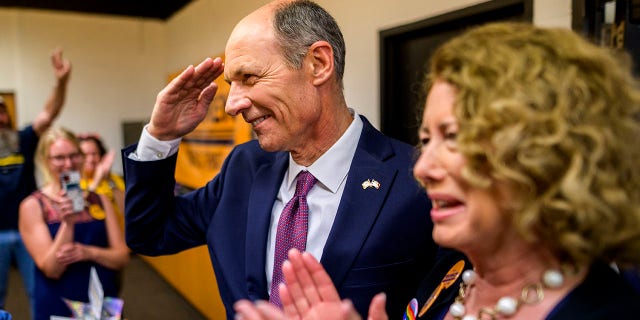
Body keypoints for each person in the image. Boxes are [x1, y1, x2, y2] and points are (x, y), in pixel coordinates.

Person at [233, 22, 640, 320]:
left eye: (454, 137)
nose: (424, 167)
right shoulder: (453, 275)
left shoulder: (605, 310)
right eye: (427, 140)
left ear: (550, 149)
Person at [122, 0, 438, 318]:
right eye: (231, 85)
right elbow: (149, 234)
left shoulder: (419, 182)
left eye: (249, 77)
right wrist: (160, 136)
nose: (232, 105)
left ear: (318, 64)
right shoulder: (243, 167)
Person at [19, 127, 129, 320]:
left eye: (74, 155)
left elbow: (121, 257)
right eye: (59, 158)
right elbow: (52, 269)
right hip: (59, 303)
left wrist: (88, 252)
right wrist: (68, 224)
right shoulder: (33, 206)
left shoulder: (100, 199)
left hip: (102, 300)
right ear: (45, 161)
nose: (68, 164)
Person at [0, 48, 71, 313]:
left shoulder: (23, 139)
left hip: (28, 229)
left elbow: (48, 114)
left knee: (38, 289)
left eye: (2, 112)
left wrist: (61, 82)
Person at [77, 133, 125, 229]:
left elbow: (125, 210)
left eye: (94, 154)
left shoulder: (114, 179)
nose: (90, 159)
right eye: (85, 155)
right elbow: (78, 211)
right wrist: (96, 181)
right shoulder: (72, 181)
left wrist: (107, 179)